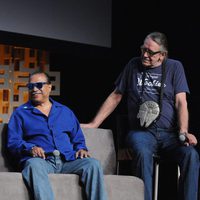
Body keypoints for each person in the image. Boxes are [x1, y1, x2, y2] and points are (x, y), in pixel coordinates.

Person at [81, 31, 199, 200]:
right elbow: (116, 96)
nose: (145, 55)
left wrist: (183, 131)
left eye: (150, 52)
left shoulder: (175, 67)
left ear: (162, 55)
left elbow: (181, 102)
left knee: (191, 155)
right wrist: (94, 123)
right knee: (143, 153)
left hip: (170, 134)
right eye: (143, 49)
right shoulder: (133, 65)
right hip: (142, 133)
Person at [7, 71, 107, 200]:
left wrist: (81, 149)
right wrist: (30, 148)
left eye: (39, 85)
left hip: (68, 160)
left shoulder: (65, 111)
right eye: (31, 86)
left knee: (92, 164)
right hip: (42, 161)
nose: (35, 89)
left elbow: (78, 138)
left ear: (49, 87)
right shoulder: (20, 113)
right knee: (33, 165)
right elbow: (13, 142)